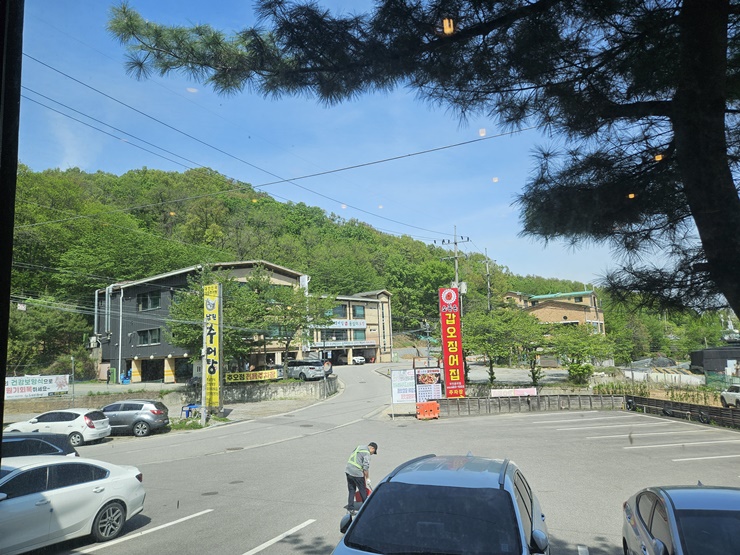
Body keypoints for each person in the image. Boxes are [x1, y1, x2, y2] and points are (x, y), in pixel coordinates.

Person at [345, 442, 378, 513]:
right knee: (362, 490)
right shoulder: (367, 453)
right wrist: (367, 478)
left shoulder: (359, 447)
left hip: (348, 470)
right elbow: (365, 467)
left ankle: (350, 508)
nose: (372, 454)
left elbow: (357, 459)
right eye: (373, 452)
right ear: (372, 448)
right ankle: (366, 508)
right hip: (357, 473)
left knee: (351, 490)